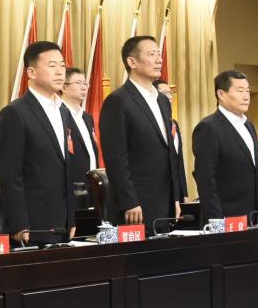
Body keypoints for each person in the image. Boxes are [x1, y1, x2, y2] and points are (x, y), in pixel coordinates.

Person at [0, 41, 80, 243]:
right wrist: (19, 223)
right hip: (32, 221)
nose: (60, 71)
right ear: (31, 72)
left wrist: (71, 217)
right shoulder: (15, 112)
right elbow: (10, 173)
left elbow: (67, 168)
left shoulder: (63, 111)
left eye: (62, 65)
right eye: (52, 65)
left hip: (62, 220)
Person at [99, 34, 182, 226]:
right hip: (135, 205)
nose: (159, 60)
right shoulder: (118, 101)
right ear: (132, 62)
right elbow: (115, 157)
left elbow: (169, 152)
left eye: (159, 54)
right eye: (152, 54)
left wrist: (175, 198)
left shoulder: (162, 100)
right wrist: (129, 201)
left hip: (165, 201)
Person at [192, 69, 258, 221]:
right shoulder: (209, 127)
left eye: (247, 91)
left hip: (253, 217)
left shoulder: (248, 125)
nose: (246, 96)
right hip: (225, 217)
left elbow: (254, 175)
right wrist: (216, 220)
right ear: (221, 94)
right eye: (240, 91)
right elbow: (206, 179)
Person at [154, 76, 188, 206]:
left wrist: (184, 192)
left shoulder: (174, 124)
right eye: (165, 93)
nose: (169, 97)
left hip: (177, 190)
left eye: (170, 93)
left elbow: (179, 161)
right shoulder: (154, 125)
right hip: (161, 191)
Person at [62, 66, 99, 177]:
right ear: (64, 87)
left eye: (85, 84)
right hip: (70, 181)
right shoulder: (58, 115)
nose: (84, 88)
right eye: (78, 83)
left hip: (91, 181)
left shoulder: (87, 117)